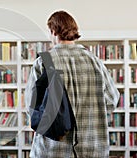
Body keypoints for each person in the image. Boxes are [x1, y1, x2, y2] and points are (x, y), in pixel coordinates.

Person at [25, 10, 120, 158]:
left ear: (53, 31)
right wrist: (89, 113)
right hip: (92, 149)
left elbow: (31, 106)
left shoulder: (44, 61)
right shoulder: (94, 61)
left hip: (52, 150)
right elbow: (112, 100)